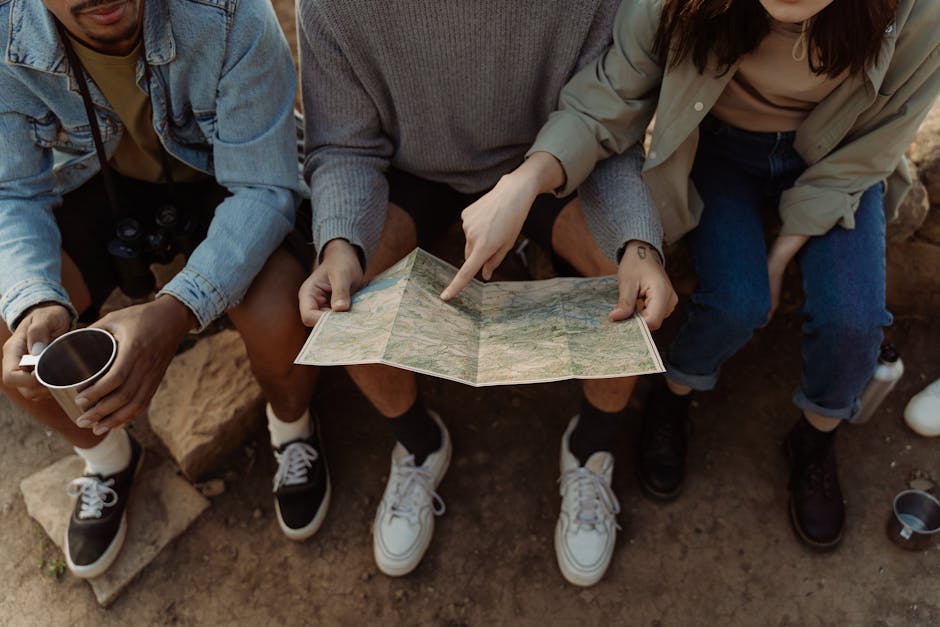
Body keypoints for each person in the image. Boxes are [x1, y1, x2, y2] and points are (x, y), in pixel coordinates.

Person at [459, 0, 940, 549]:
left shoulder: (919, 12)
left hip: (838, 162)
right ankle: (674, 394)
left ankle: (815, 438)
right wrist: (523, 184)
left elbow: (875, 145)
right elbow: (610, 98)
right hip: (721, 151)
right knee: (737, 302)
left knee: (854, 323)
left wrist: (782, 254)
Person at [298, 1, 677, 585]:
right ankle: (420, 444)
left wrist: (638, 243)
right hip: (410, 168)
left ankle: (592, 448)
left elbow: (611, 123)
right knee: (345, 298)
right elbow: (343, 145)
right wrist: (339, 244)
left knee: (623, 278)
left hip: (555, 157)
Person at [0, 0, 329, 578]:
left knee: (280, 313)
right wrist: (35, 298)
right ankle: (106, 457)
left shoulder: (231, 15)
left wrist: (179, 308)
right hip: (94, 179)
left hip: (223, 176)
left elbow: (262, 190)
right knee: (11, 338)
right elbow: (12, 193)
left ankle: (293, 426)